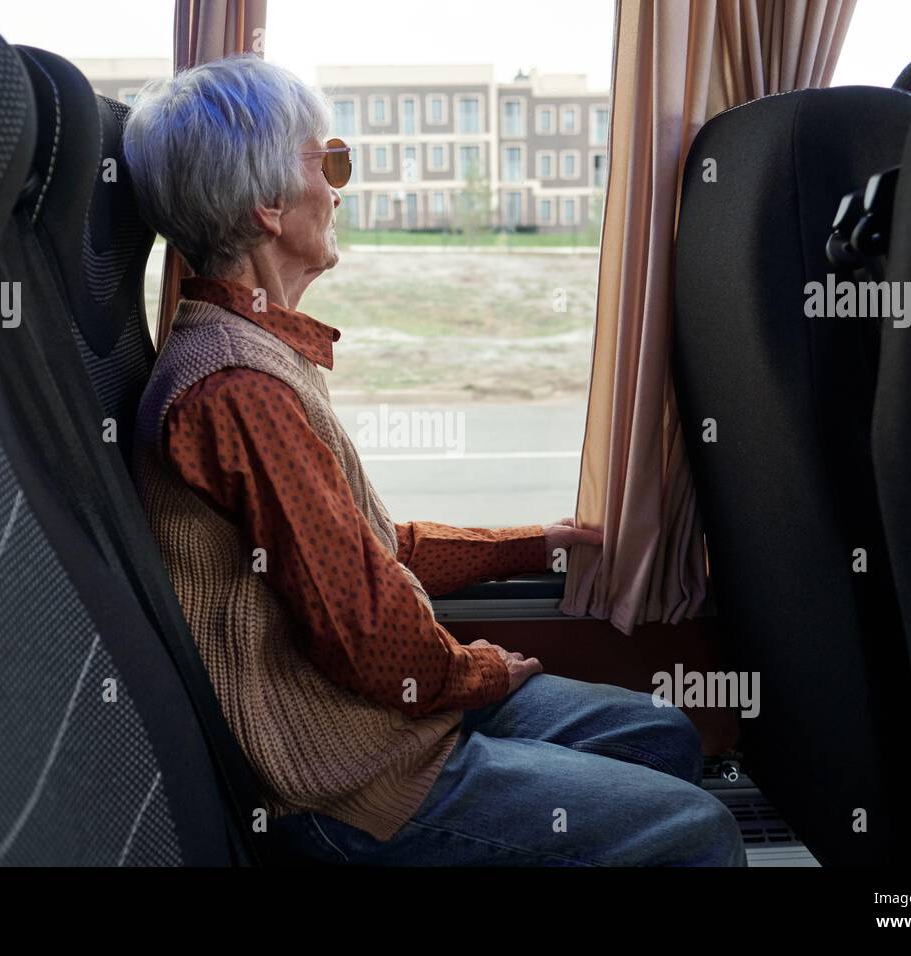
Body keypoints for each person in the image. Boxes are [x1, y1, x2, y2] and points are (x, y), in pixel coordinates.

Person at [123, 53, 745, 866]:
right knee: (697, 833)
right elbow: (370, 633)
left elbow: (372, 552)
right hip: (343, 781)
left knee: (658, 733)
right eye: (330, 161)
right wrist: (479, 671)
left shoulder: (260, 353)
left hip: (382, 720)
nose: (339, 188)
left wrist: (536, 546)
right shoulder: (238, 388)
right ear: (269, 204)